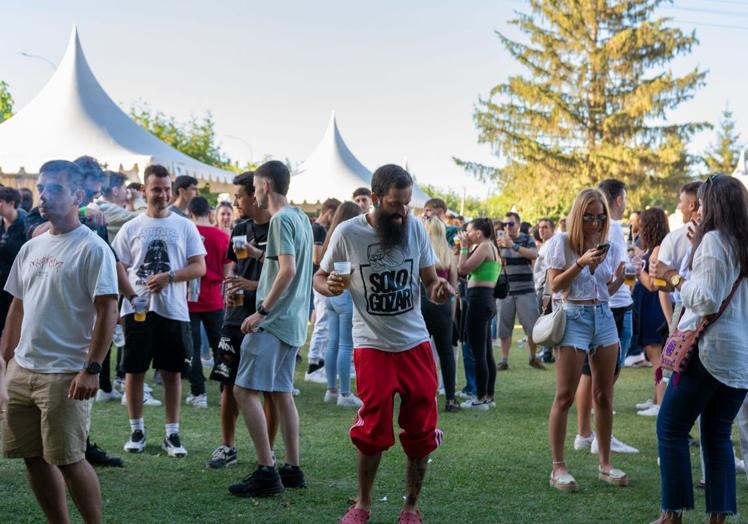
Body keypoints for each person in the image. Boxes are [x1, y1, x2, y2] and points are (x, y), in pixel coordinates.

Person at [314, 164, 454, 523]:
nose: (402, 211)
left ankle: (410, 506)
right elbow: (318, 275)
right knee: (372, 431)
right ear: (374, 199)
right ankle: (362, 504)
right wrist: (327, 285)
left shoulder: (416, 230)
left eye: (407, 203)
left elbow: (429, 280)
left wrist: (438, 289)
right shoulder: (349, 232)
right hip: (371, 345)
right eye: (395, 204)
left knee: (421, 431)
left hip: (414, 344)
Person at [1, 159, 119, 524]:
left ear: (77, 196)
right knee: (31, 457)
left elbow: (108, 310)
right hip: (24, 369)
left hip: (65, 374)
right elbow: (17, 307)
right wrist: (5, 363)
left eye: (54, 189)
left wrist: (92, 369)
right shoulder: (31, 247)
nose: (44, 196)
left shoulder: (92, 248)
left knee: (68, 459)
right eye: (41, 188)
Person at [649, 175, 748, 524]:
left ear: (713, 206)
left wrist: (674, 276)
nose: (696, 209)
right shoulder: (742, 243)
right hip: (741, 358)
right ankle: (717, 518)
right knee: (718, 434)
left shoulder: (715, 241)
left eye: (702, 202)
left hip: (708, 351)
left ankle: (671, 515)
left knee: (671, 427)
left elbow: (706, 299)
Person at [228, 160, 313, 497]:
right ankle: (292, 469)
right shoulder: (301, 218)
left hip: (274, 321)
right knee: (281, 394)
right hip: (293, 321)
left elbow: (288, 270)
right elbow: (289, 260)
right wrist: (258, 252)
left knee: (243, 391)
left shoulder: (278, 220)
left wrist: (261, 312)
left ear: (264, 186)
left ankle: (266, 470)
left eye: (255, 187)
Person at [112, 164, 207, 458]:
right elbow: (117, 264)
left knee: (172, 373)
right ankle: (136, 430)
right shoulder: (131, 227)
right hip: (138, 310)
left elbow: (199, 266)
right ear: (144, 191)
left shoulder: (185, 226)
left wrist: (170, 277)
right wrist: (129, 295)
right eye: (156, 189)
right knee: (135, 370)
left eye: (167, 188)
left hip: (174, 311)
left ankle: (172, 433)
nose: (163, 194)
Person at [546, 188, 627, 491]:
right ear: (578, 215)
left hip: (604, 317)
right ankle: (558, 468)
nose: (595, 223)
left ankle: (605, 464)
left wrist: (619, 277)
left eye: (601, 217)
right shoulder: (562, 242)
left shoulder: (605, 243)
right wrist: (580, 262)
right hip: (574, 318)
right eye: (590, 217)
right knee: (565, 396)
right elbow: (555, 285)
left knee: (604, 396)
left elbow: (604, 288)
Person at [208, 171, 277, 469]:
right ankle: (227, 446)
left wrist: (253, 286)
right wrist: (232, 281)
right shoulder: (240, 226)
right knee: (228, 382)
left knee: (270, 390)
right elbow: (233, 265)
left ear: (255, 195)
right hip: (234, 316)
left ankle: (269, 450)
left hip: (265, 318)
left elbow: (283, 275)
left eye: (239, 195)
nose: (235, 201)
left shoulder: (278, 228)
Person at [574, 179, 638, 455]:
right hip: (614, 306)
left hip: (595, 306)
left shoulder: (585, 231)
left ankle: (584, 434)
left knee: (588, 375)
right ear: (619, 199)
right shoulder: (612, 229)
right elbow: (619, 272)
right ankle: (601, 437)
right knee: (607, 379)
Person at [186, 196, 231, 409]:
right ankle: (225, 390)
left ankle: (199, 393)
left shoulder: (186, 234)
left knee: (193, 348)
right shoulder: (222, 236)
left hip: (189, 299)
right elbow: (226, 272)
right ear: (210, 212)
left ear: (190, 213)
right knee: (219, 347)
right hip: (214, 298)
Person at [320, 202, 364, 408]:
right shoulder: (350, 236)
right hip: (345, 295)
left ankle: (331, 390)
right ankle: (344, 394)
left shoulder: (331, 235)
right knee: (346, 345)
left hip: (330, 295)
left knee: (333, 342)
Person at [457, 218, 501, 411]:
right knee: (485, 352)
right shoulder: (491, 247)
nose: (465, 234)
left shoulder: (484, 246)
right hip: (485, 299)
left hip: (479, 300)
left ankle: (480, 398)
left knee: (478, 352)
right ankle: (488, 396)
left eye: (468, 231)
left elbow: (462, 269)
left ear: (477, 233)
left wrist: (464, 247)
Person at [632, 208, 670, 417]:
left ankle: (661, 404)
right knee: (653, 353)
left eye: (642, 223)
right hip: (648, 304)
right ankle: (656, 398)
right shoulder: (654, 248)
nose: (639, 227)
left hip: (653, 304)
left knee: (657, 356)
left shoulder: (657, 249)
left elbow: (654, 284)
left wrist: (638, 270)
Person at [496, 211, 544, 370]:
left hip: (525, 290)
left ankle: (533, 357)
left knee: (532, 327)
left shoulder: (526, 239)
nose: (507, 227)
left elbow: (534, 254)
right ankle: (504, 360)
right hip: (506, 291)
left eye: (510, 224)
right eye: (505, 224)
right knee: (504, 327)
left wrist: (513, 246)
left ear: (518, 224)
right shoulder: (499, 241)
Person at [422, 217, 459, 412]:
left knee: (420, 353)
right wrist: (451, 315)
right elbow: (453, 289)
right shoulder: (449, 254)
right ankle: (451, 399)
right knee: (446, 353)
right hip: (443, 307)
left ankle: (422, 395)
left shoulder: (421, 251)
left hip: (422, 305)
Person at [306, 198, 341, 383]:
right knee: (321, 322)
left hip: (322, 281)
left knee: (324, 322)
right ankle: (313, 365)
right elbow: (316, 258)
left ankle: (319, 362)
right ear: (329, 211)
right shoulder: (318, 229)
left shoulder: (320, 229)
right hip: (319, 281)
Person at [0, 187, 28, 337]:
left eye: (0, 202)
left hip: (15, 285)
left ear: (11, 203)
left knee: (13, 325)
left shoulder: (25, 225)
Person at [92, 171, 142, 240]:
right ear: (115, 191)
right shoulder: (105, 208)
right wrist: (138, 199)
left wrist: (131, 204)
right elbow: (144, 218)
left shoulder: (105, 207)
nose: (127, 192)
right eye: (124, 188)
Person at [533, 218, 556, 363]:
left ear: (552, 229)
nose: (542, 230)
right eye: (540, 227)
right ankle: (546, 351)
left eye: (545, 227)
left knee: (547, 319)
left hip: (547, 287)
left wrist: (547, 289)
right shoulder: (544, 245)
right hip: (541, 285)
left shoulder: (553, 244)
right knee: (545, 318)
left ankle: (547, 353)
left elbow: (551, 269)